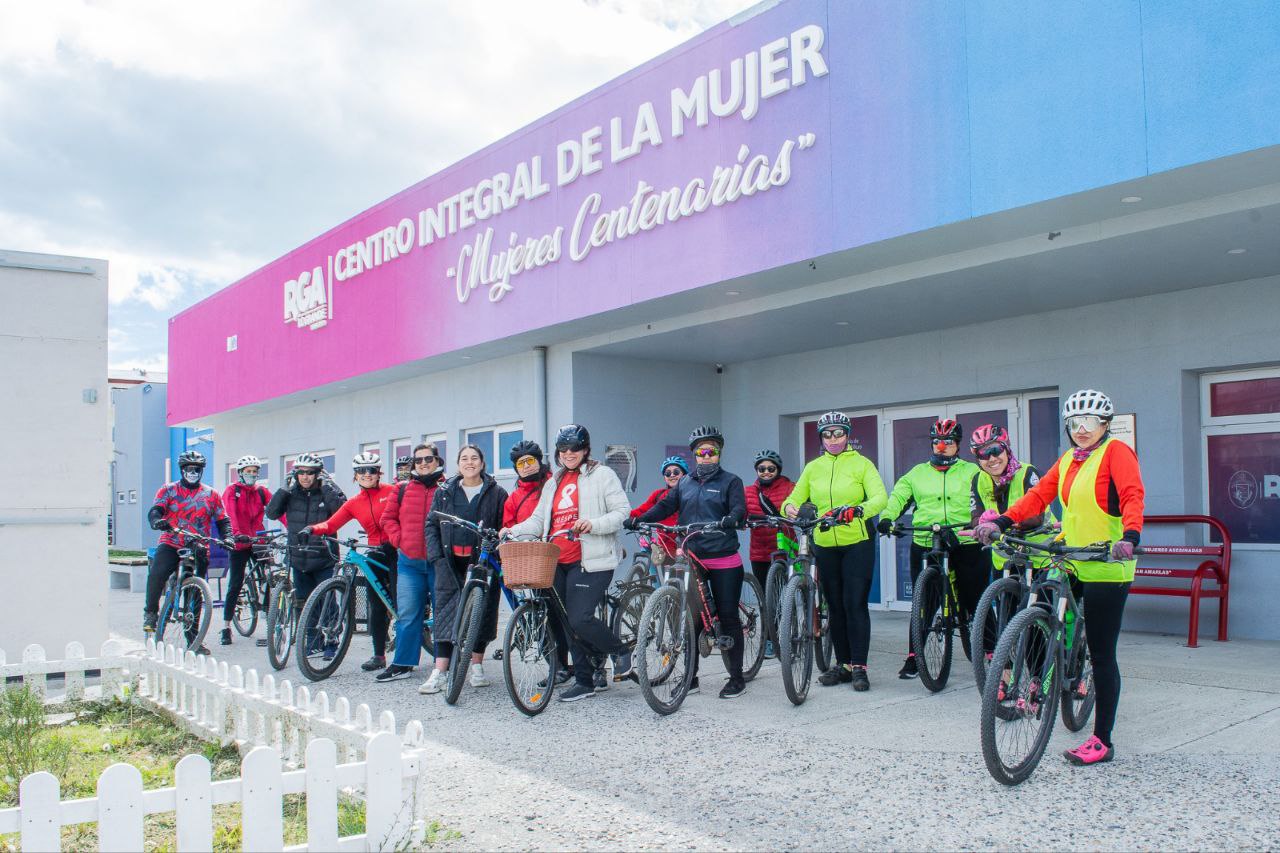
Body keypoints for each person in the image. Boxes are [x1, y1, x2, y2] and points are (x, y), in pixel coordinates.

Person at [976, 389, 1144, 767]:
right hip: (1070, 557)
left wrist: (1130, 537)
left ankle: (1102, 739)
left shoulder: (1116, 453)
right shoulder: (1069, 458)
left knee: (1102, 653)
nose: (1082, 430)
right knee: (1046, 612)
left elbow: (1133, 495)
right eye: (1075, 423)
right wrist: (1003, 521)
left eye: (1090, 423)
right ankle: (1048, 670)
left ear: (1104, 424)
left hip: (1106, 562)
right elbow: (1038, 496)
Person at [505, 424, 633, 702]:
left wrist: (593, 524)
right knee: (567, 623)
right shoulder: (553, 483)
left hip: (590, 559)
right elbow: (539, 521)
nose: (569, 453)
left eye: (575, 448)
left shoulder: (602, 475)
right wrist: (512, 531)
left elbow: (623, 512)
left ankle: (620, 651)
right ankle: (585, 681)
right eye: (563, 449)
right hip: (556, 560)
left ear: (585, 449)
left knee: (580, 618)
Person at [627, 425, 748, 699]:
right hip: (693, 557)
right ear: (694, 455)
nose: (706, 456)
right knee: (690, 621)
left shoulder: (731, 481)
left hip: (723, 558)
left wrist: (732, 518)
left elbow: (739, 508)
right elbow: (665, 506)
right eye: (701, 452)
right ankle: (690, 679)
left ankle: (737, 678)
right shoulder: (684, 483)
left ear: (719, 453)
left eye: (711, 451)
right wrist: (640, 519)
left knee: (728, 618)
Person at [782, 413, 887, 691]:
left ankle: (860, 667)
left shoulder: (862, 464)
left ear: (847, 434)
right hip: (825, 544)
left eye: (838, 433)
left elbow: (880, 497)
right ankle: (843, 665)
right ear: (821, 438)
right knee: (835, 606)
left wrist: (859, 510)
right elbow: (793, 498)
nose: (833, 439)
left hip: (856, 543)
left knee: (854, 604)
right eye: (828, 435)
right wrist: (790, 508)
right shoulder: (813, 467)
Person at [876, 418, 985, 680]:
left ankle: (990, 651)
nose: (941, 446)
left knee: (976, 600)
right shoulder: (916, 473)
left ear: (958, 445)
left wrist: (982, 522)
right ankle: (915, 656)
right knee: (922, 604)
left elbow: (984, 501)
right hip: (927, 542)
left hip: (965, 541)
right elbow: (898, 499)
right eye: (937, 441)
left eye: (948, 442)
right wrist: (887, 518)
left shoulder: (973, 472)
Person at [422, 445, 508, 693]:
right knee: (446, 614)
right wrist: (437, 557)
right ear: (458, 464)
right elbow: (431, 525)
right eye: (464, 459)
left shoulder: (496, 492)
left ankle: (477, 667)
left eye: (474, 458)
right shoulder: (445, 492)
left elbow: (504, 525)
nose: (469, 463)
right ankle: (440, 671)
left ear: (482, 463)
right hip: (449, 562)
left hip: (482, 562)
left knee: (483, 612)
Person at [303, 453, 397, 672]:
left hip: (396, 550)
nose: (367, 474)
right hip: (374, 551)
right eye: (362, 471)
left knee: (400, 601)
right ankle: (378, 656)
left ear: (378, 473)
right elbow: (331, 523)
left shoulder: (391, 492)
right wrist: (312, 529)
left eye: (371, 470)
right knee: (376, 606)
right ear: (356, 475)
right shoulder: (355, 503)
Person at [144, 450, 231, 653]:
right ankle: (151, 613)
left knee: (197, 593)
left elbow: (222, 519)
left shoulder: (211, 494)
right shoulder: (168, 490)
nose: (193, 473)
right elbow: (155, 510)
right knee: (157, 573)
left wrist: (228, 537)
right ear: (182, 470)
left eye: (197, 469)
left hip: (199, 544)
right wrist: (157, 521)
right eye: (189, 469)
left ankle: (194, 638)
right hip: (172, 540)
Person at [377, 443, 446, 686]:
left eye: (429, 459)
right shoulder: (402, 489)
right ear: (413, 464)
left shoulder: (448, 487)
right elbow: (387, 519)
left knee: (442, 616)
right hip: (409, 562)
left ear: (438, 461)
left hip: (440, 563)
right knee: (407, 614)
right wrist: (400, 541)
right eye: (419, 460)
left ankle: (443, 666)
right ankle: (402, 664)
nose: (424, 463)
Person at [265, 453, 346, 654]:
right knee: (303, 601)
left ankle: (331, 640)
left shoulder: (328, 490)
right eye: (301, 472)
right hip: (298, 556)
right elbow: (271, 513)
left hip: (323, 556)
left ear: (318, 474)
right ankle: (312, 640)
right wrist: (283, 489)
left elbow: (340, 512)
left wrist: (328, 486)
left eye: (310, 473)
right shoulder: (291, 492)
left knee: (327, 602)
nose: (305, 477)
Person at [498, 439, 553, 669]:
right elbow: (509, 527)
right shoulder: (513, 499)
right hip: (531, 558)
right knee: (543, 611)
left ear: (540, 462)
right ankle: (556, 665)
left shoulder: (553, 485)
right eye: (522, 463)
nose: (528, 466)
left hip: (557, 551)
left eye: (531, 461)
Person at [744, 449, 794, 658]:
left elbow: (799, 505)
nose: (765, 472)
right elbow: (740, 511)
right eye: (761, 469)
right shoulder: (748, 491)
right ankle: (768, 640)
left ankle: (785, 638)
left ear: (778, 469)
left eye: (770, 468)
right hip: (759, 552)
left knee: (781, 598)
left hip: (781, 548)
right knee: (765, 600)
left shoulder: (790, 488)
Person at [220, 455, 272, 646]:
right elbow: (230, 515)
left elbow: (277, 510)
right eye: (248, 471)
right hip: (239, 541)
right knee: (235, 582)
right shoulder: (232, 491)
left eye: (254, 471)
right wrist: (236, 534)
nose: (252, 475)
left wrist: (292, 527)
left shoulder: (261, 492)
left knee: (271, 576)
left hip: (258, 538)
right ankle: (226, 627)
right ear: (240, 473)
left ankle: (270, 619)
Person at [629, 455, 687, 569]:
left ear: (684, 474)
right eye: (668, 473)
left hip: (685, 545)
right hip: (664, 546)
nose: (672, 475)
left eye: (676, 472)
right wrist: (625, 517)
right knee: (648, 553)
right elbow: (642, 510)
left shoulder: (691, 493)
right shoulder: (659, 494)